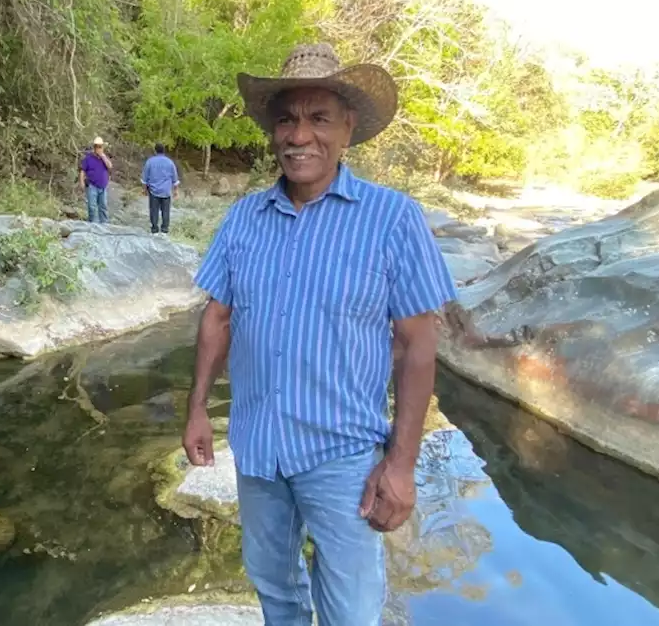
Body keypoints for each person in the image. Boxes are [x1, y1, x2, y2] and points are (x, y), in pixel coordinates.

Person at [182, 43, 457, 625]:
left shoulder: (392, 218)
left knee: (351, 611)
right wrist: (198, 408)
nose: (299, 134)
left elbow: (416, 344)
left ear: (349, 129)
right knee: (275, 590)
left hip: (343, 458)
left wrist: (401, 466)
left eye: (319, 118)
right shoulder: (243, 219)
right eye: (286, 118)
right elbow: (218, 316)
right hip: (257, 447)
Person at [141, 143, 180, 234]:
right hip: (166, 191)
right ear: (164, 150)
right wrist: (176, 191)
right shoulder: (170, 162)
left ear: (155, 150)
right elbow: (175, 178)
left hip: (153, 191)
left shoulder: (150, 162)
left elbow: (144, 179)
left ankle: (154, 229)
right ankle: (164, 230)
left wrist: (144, 190)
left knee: (154, 210)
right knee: (166, 211)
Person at [79, 136, 112, 223]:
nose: (99, 148)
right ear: (94, 147)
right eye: (97, 146)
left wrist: (103, 156)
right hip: (92, 185)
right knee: (92, 206)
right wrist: (81, 182)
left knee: (103, 206)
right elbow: (82, 170)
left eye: (100, 147)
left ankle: (104, 223)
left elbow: (110, 166)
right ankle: (92, 223)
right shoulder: (88, 158)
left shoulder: (104, 158)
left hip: (103, 186)